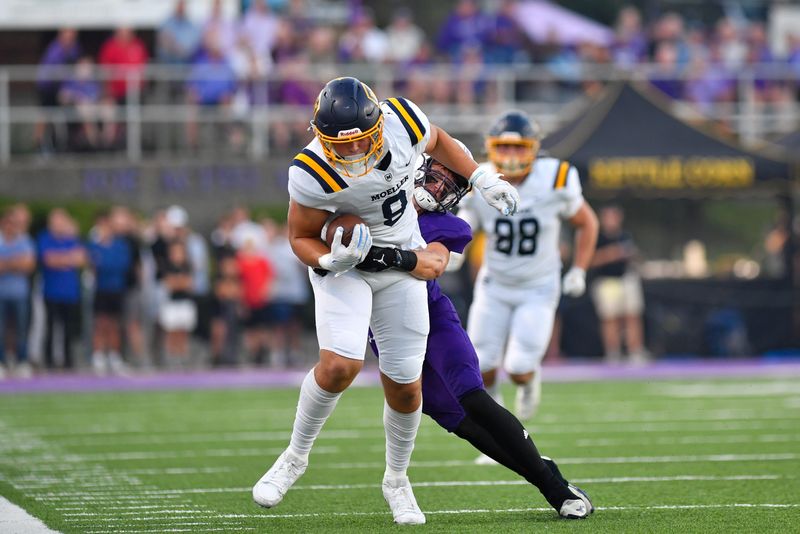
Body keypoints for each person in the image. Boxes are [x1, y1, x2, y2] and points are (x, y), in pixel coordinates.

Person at [252, 76, 519, 525]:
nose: (353, 152)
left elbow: (440, 140)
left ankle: (396, 479)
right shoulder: (311, 170)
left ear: (379, 124)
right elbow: (298, 236)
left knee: (405, 384)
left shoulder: (403, 120)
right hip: (346, 268)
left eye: (361, 141)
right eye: (343, 145)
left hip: (401, 265)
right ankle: (295, 457)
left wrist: (480, 176)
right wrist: (330, 261)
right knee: (341, 365)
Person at [359, 143, 594, 519]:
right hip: (383, 326)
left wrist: (379, 255)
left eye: (450, 184)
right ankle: (540, 468)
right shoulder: (374, 196)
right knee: (462, 424)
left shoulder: (448, 224)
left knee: (473, 399)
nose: (438, 188)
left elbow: (433, 263)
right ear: (419, 169)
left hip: (432, 317)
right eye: (437, 176)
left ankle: (554, 488)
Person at [459, 110, 598, 420]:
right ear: (490, 147)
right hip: (495, 283)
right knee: (480, 364)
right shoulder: (481, 178)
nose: (509, 155)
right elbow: (468, 219)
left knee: (520, 367)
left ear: (534, 149)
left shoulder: (555, 178)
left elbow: (587, 222)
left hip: (538, 286)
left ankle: (529, 381)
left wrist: (579, 268)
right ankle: (498, 422)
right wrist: (454, 243)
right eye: (503, 147)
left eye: (518, 147)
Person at [589, 205, 647, 364]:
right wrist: (612, 254)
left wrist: (632, 255)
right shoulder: (597, 237)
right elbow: (589, 260)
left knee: (632, 316)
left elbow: (637, 257)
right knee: (610, 319)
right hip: (606, 281)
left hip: (626, 279)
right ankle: (613, 353)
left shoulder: (626, 236)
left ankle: (635, 352)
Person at [37, 209, 86, 370]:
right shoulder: (45, 238)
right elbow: (49, 260)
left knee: (68, 328)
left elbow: (81, 259)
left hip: (70, 292)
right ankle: (49, 360)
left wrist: (61, 258)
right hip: (51, 291)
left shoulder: (72, 239)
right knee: (50, 327)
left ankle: (68, 361)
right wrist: (68, 258)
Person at [87, 211, 132, 375]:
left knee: (114, 324)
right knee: (100, 323)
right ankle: (98, 357)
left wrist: (105, 263)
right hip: (101, 289)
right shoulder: (94, 245)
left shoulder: (120, 245)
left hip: (116, 289)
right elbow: (96, 265)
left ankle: (114, 356)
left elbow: (121, 265)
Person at [0, 207, 36, 378]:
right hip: (2, 293)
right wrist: (16, 262)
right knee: (1, 329)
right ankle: (2, 361)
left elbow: (28, 265)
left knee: (21, 329)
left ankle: (22, 360)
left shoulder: (24, 240)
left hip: (19, 293)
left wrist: (6, 264)